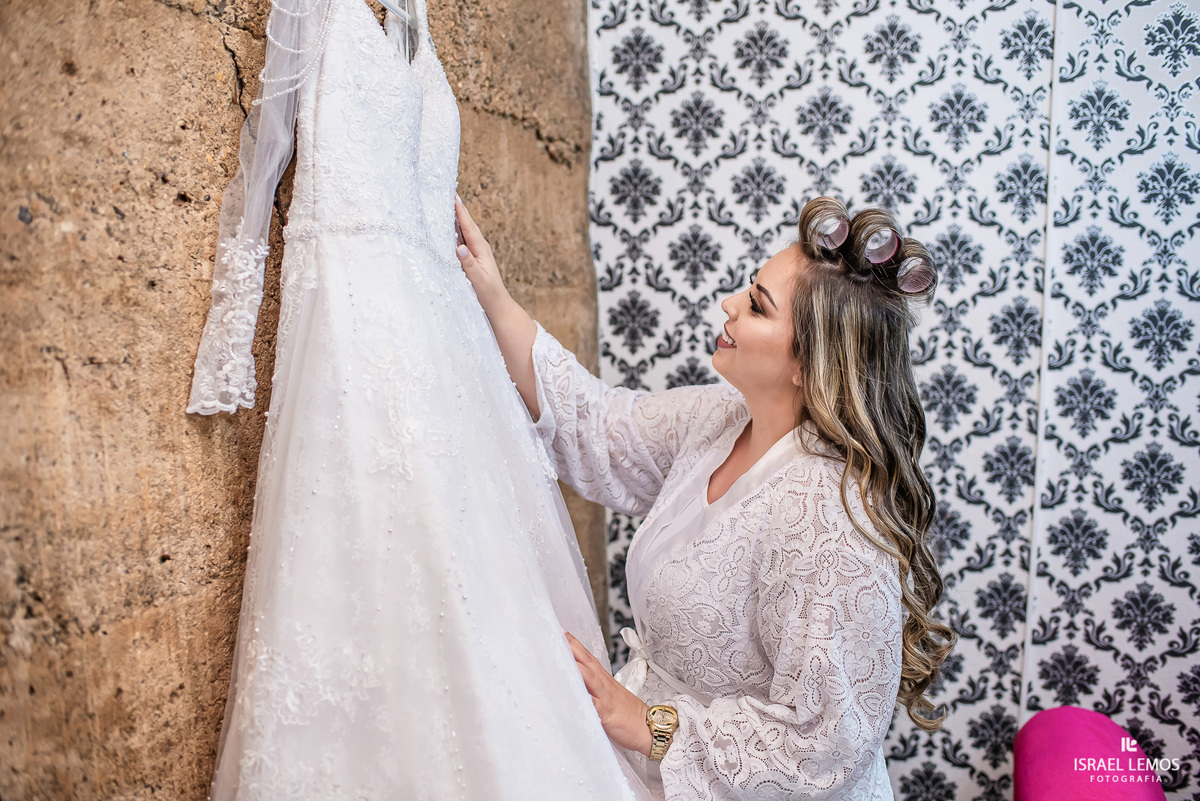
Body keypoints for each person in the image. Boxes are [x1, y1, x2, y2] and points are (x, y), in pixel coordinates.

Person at [454, 195, 957, 800]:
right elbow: (597, 427)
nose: (729, 305)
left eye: (757, 307)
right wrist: (494, 296)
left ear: (808, 364)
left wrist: (649, 725)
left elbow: (824, 744)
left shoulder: (829, 521)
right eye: (749, 289)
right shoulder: (717, 420)